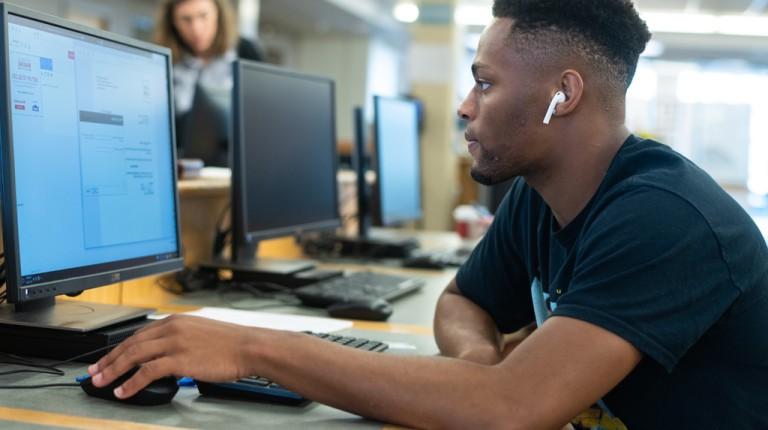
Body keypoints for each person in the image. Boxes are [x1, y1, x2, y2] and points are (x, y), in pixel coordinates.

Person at [89, 0, 768, 428]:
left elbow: (510, 410)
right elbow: (461, 302)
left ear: (563, 95)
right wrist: (477, 362)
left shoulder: (663, 217)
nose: (465, 107)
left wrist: (249, 346)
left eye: (485, 82)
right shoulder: (541, 196)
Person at [154, 0, 263, 166]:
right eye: (186, 19)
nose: (196, 29)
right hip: (184, 167)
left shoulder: (246, 51)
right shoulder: (163, 61)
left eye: (203, 16)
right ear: (173, 22)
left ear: (218, 14)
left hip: (241, 162)